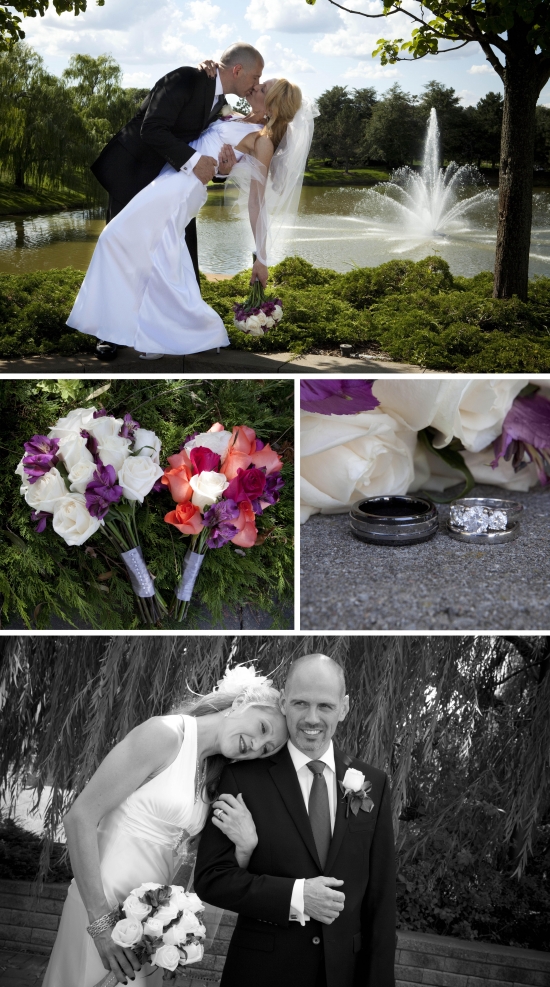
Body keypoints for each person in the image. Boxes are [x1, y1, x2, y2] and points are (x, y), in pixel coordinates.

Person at [42, 666, 288, 987]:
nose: (256, 745)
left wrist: (246, 845)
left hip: (149, 926)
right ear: (242, 702)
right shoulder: (164, 735)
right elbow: (80, 818)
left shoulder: (213, 778)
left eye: (266, 748)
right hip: (99, 905)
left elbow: (204, 870)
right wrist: (101, 924)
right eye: (262, 727)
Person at [67, 76, 307, 361]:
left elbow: (257, 201)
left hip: (180, 190)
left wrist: (262, 258)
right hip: (170, 178)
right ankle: (177, 334)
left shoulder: (262, 140)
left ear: (273, 106)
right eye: (258, 83)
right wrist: (224, 169)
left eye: (263, 88)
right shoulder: (236, 117)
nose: (255, 87)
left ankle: (150, 332)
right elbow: (212, 149)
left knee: (113, 237)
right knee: (165, 258)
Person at [194, 654, 396, 987]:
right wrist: (297, 896)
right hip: (262, 974)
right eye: (301, 703)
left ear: (344, 708)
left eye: (326, 706)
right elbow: (211, 879)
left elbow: (381, 902)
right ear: (284, 701)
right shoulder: (243, 777)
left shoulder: (373, 782)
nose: (312, 719)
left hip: (343, 975)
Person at [89, 42, 264, 361]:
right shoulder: (185, 78)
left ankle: (184, 330)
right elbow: (151, 128)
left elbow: (214, 145)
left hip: (175, 182)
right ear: (237, 70)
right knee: (123, 249)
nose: (257, 83)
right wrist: (195, 161)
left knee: (182, 251)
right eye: (256, 76)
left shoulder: (221, 104)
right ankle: (110, 334)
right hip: (134, 172)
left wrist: (222, 173)